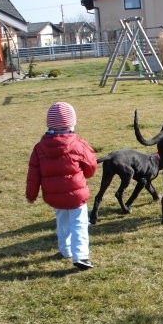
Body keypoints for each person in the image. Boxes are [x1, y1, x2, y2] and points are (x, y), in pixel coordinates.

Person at [26, 102, 97, 270]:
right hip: (76, 194)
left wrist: (31, 194)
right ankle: (81, 256)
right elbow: (91, 166)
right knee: (79, 223)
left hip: (54, 195)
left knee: (62, 222)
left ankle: (65, 250)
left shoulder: (39, 147)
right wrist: (85, 174)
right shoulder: (78, 144)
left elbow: (33, 174)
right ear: (72, 123)